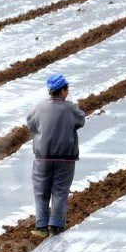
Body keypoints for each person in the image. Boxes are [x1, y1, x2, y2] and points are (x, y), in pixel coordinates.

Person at [26, 74, 86, 238]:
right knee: (60, 191)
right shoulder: (71, 108)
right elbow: (81, 121)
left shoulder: (39, 107)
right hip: (65, 158)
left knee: (41, 191)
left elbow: (31, 124)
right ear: (64, 90)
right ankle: (57, 225)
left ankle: (41, 226)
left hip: (43, 157)